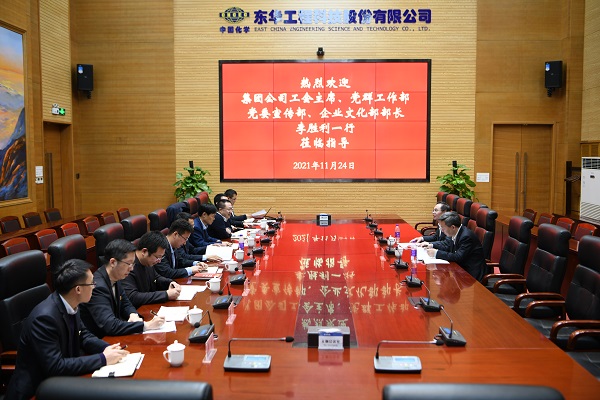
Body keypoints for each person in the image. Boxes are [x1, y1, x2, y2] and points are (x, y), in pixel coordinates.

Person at [6, 259, 129, 400]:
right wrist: (103, 358)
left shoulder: (71, 303)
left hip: (62, 381)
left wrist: (107, 348)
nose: (94, 287)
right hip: (36, 391)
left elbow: (83, 335)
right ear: (78, 289)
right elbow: (55, 366)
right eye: (92, 283)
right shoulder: (45, 319)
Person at [80, 239, 165, 338]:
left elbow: (125, 303)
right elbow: (110, 325)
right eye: (129, 264)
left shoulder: (116, 276)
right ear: (113, 262)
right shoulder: (97, 287)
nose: (131, 268)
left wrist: (132, 314)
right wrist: (146, 326)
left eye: (133, 264)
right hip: (102, 340)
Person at [122, 231, 181, 308]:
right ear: (144, 251)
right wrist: (166, 294)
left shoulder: (147, 261)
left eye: (161, 257)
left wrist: (170, 282)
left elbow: (156, 277)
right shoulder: (128, 265)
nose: (159, 261)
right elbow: (132, 297)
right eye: (157, 257)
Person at [425, 211, 486, 282]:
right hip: (460, 269)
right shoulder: (455, 232)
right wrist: (431, 245)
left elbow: (458, 257)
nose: (442, 230)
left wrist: (436, 253)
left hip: (470, 275)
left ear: (453, 227)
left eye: (443, 227)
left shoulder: (466, 237)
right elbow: (446, 245)